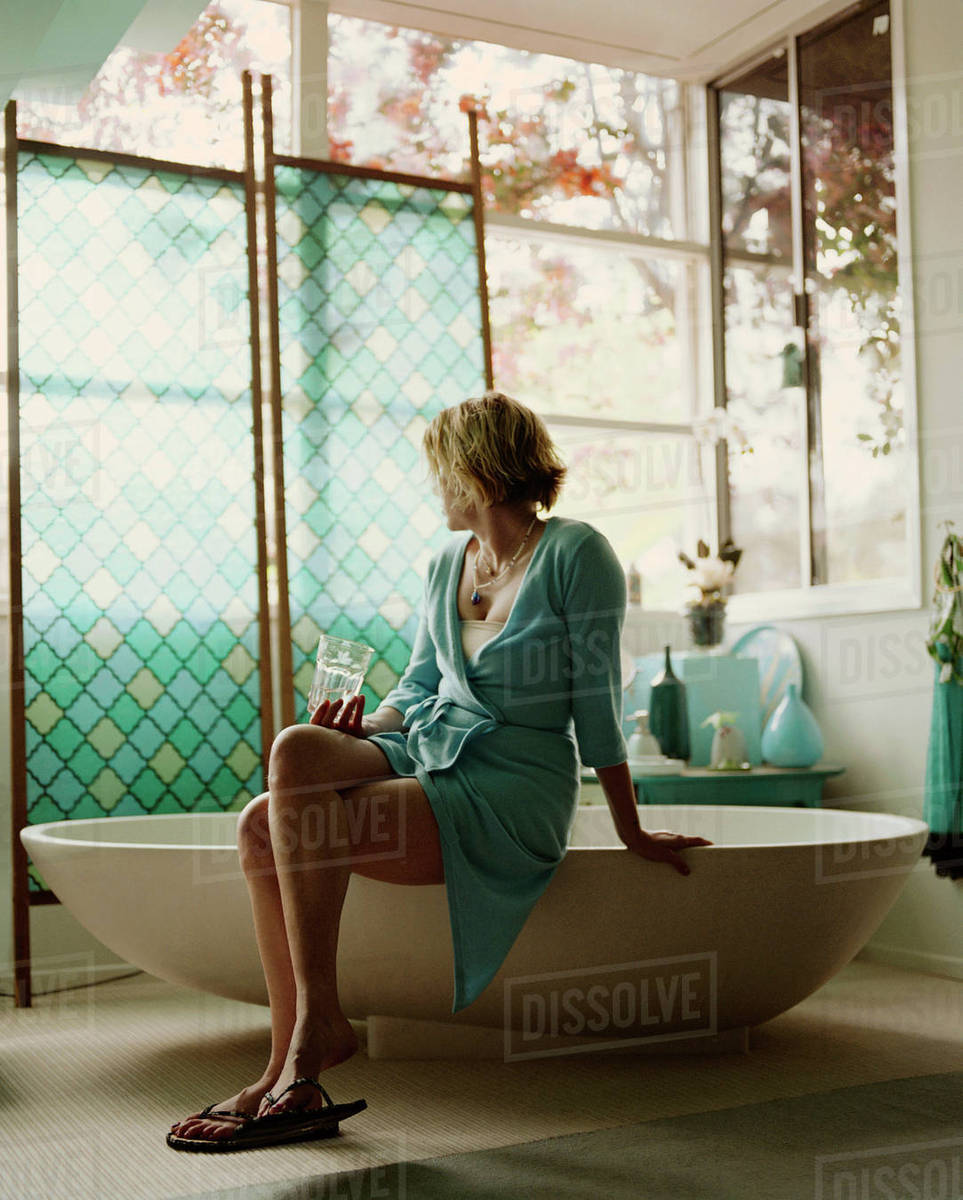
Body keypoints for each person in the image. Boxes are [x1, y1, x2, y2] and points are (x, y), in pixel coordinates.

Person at [167, 392, 711, 1152]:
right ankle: (305, 1037)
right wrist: (364, 726)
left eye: (440, 472)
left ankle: (296, 1054)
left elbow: (595, 707)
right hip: (424, 744)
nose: (434, 490)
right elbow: (417, 689)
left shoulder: (577, 554)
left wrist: (629, 826)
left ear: (476, 472)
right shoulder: (442, 564)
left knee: (270, 823)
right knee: (293, 753)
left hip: (511, 779)